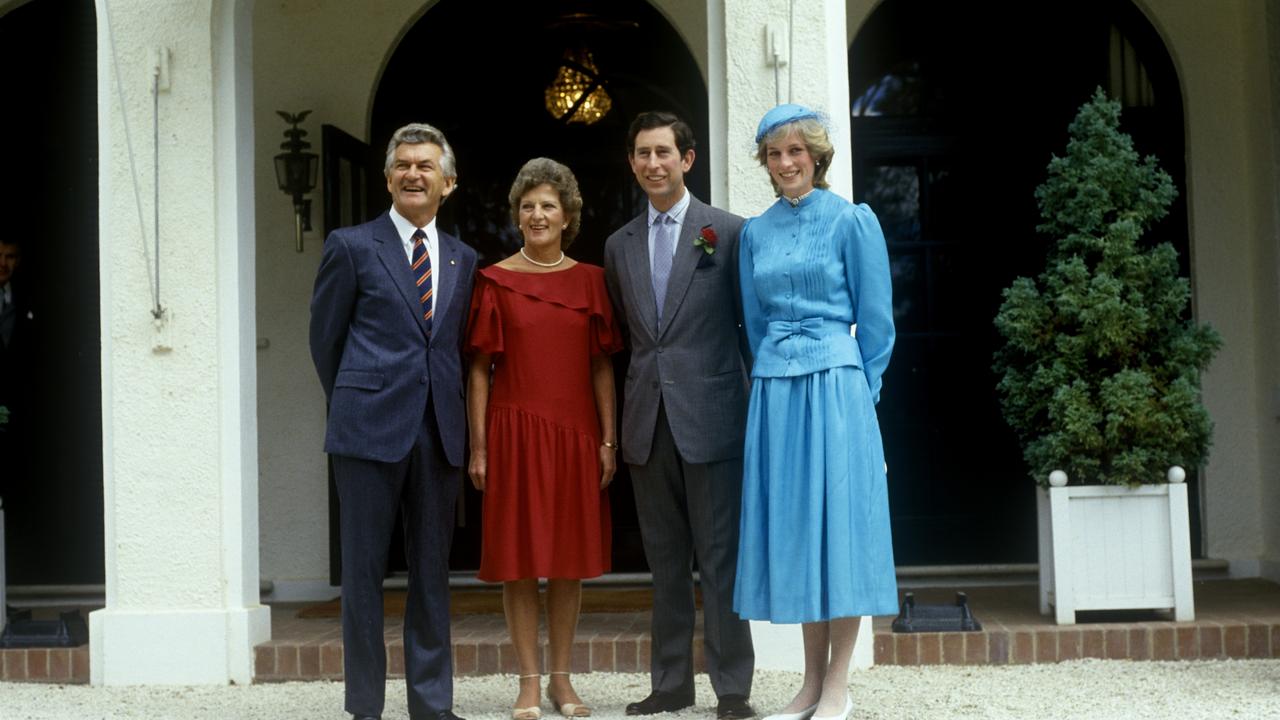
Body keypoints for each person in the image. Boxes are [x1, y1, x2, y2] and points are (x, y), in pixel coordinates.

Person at [733, 104, 897, 720]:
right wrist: (775, 370)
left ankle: (837, 687)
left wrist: (861, 393)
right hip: (778, 391)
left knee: (842, 533)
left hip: (837, 389)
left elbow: (877, 325)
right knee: (799, 529)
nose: (785, 163)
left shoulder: (852, 221)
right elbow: (752, 320)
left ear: (817, 156)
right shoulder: (756, 232)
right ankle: (807, 685)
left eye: (796, 152)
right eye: (775, 155)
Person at [309, 122, 477, 720]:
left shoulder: (464, 257)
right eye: (403, 165)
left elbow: (452, 347)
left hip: (437, 434)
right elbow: (325, 341)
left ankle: (432, 705)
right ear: (387, 178)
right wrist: (361, 397)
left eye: (425, 165)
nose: (413, 173)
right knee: (362, 577)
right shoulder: (351, 245)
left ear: (448, 182)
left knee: (432, 575)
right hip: (366, 432)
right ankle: (365, 707)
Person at [603, 111, 756, 720]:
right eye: (642, 153)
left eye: (663, 152)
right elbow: (633, 335)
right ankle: (669, 683)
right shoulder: (619, 245)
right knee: (664, 562)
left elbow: (749, 328)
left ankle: (732, 689)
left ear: (687, 159)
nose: (652, 164)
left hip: (715, 416)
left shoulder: (729, 232)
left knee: (720, 561)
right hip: (648, 420)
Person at [466, 157, 622, 720]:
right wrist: (479, 446)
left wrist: (609, 439)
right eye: (528, 205)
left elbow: (602, 366)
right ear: (516, 214)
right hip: (512, 434)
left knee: (567, 562)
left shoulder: (591, 281)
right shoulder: (494, 280)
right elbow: (479, 369)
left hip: (576, 435)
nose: (537, 214)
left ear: (568, 215)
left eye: (548, 205)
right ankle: (527, 683)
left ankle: (563, 680)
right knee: (518, 563)